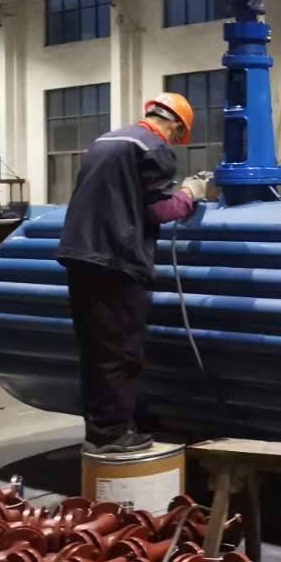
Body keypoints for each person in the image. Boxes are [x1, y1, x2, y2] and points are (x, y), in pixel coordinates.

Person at [57, 93, 208, 453]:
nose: (173, 140)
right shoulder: (152, 146)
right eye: (177, 135)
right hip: (116, 259)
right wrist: (190, 193)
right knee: (120, 350)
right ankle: (112, 435)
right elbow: (161, 210)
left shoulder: (105, 141)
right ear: (175, 126)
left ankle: (100, 429)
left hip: (79, 254)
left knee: (95, 350)